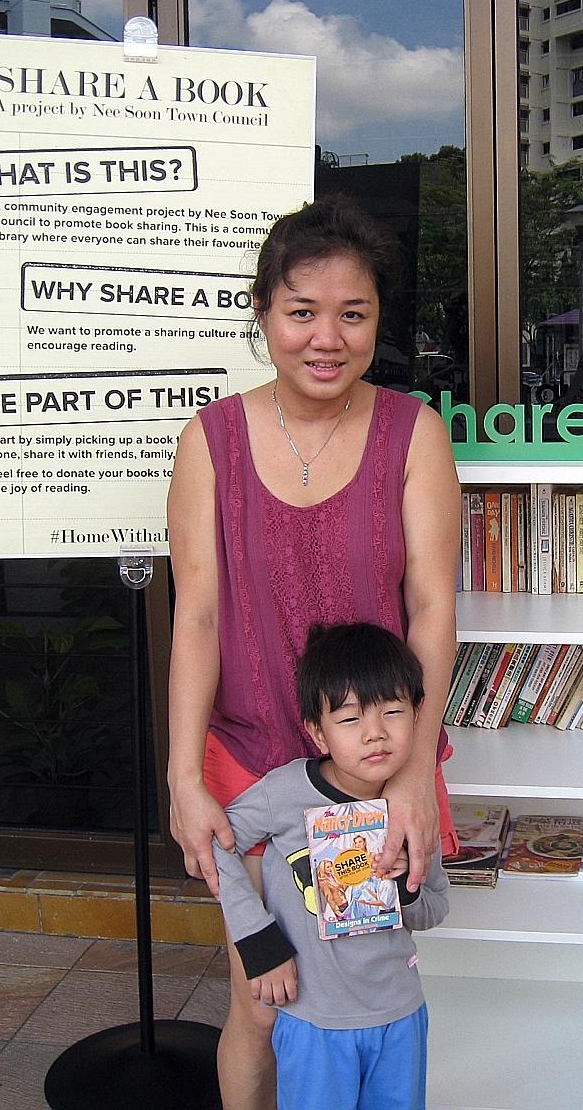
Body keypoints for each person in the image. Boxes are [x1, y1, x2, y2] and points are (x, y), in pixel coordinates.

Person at [166, 193, 461, 1110]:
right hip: (251, 760)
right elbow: (199, 615)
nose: (326, 337)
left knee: (370, 976)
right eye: (302, 312)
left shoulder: (413, 433)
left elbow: (433, 607)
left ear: (377, 322)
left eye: (353, 313)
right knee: (265, 996)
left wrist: (410, 770)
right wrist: (184, 778)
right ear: (264, 316)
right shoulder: (209, 440)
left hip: (376, 761)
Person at [211, 622, 449, 1110]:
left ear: (419, 715)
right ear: (317, 732)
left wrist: (407, 884)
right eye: (349, 719)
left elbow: (433, 910)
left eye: (394, 712)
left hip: (399, 1015)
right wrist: (257, 940)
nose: (375, 733)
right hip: (313, 1020)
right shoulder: (285, 793)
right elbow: (218, 844)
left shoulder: (411, 805)